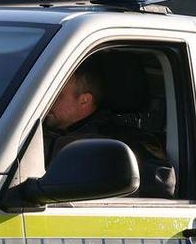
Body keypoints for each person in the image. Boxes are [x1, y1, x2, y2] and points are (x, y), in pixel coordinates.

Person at [41, 56, 177, 198]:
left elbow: (161, 184)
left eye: (58, 96)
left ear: (84, 100)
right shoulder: (33, 132)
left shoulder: (122, 142)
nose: (48, 102)